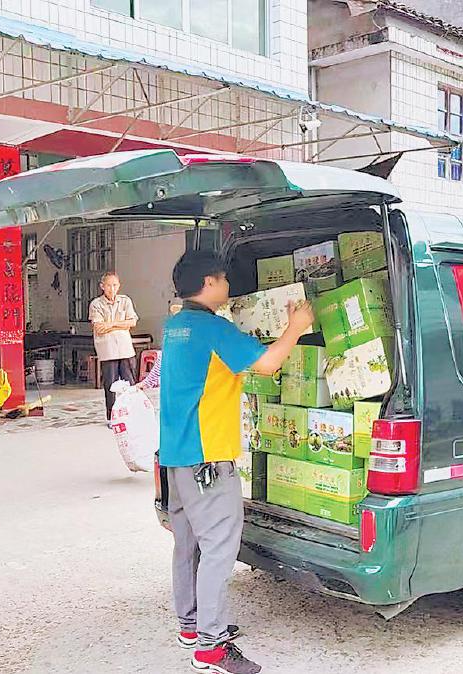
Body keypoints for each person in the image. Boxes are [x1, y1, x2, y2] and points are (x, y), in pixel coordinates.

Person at [159, 251, 313, 674]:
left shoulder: (175, 326)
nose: (229, 286)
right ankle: (210, 648)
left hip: (176, 456)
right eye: (224, 279)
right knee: (218, 550)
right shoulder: (214, 329)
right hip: (208, 459)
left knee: (188, 545)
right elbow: (267, 364)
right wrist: (296, 327)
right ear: (209, 282)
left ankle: (191, 626)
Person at [89, 272, 138, 426]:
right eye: (109, 285)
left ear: (119, 286)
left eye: (115, 285)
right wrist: (120, 324)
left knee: (129, 384)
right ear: (102, 286)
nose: (112, 288)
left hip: (125, 349)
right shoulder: (96, 304)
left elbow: (132, 322)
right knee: (110, 385)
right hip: (108, 350)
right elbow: (99, 327)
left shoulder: (125, 301)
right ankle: (112, 417)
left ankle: (132, 414)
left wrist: (110, 324)